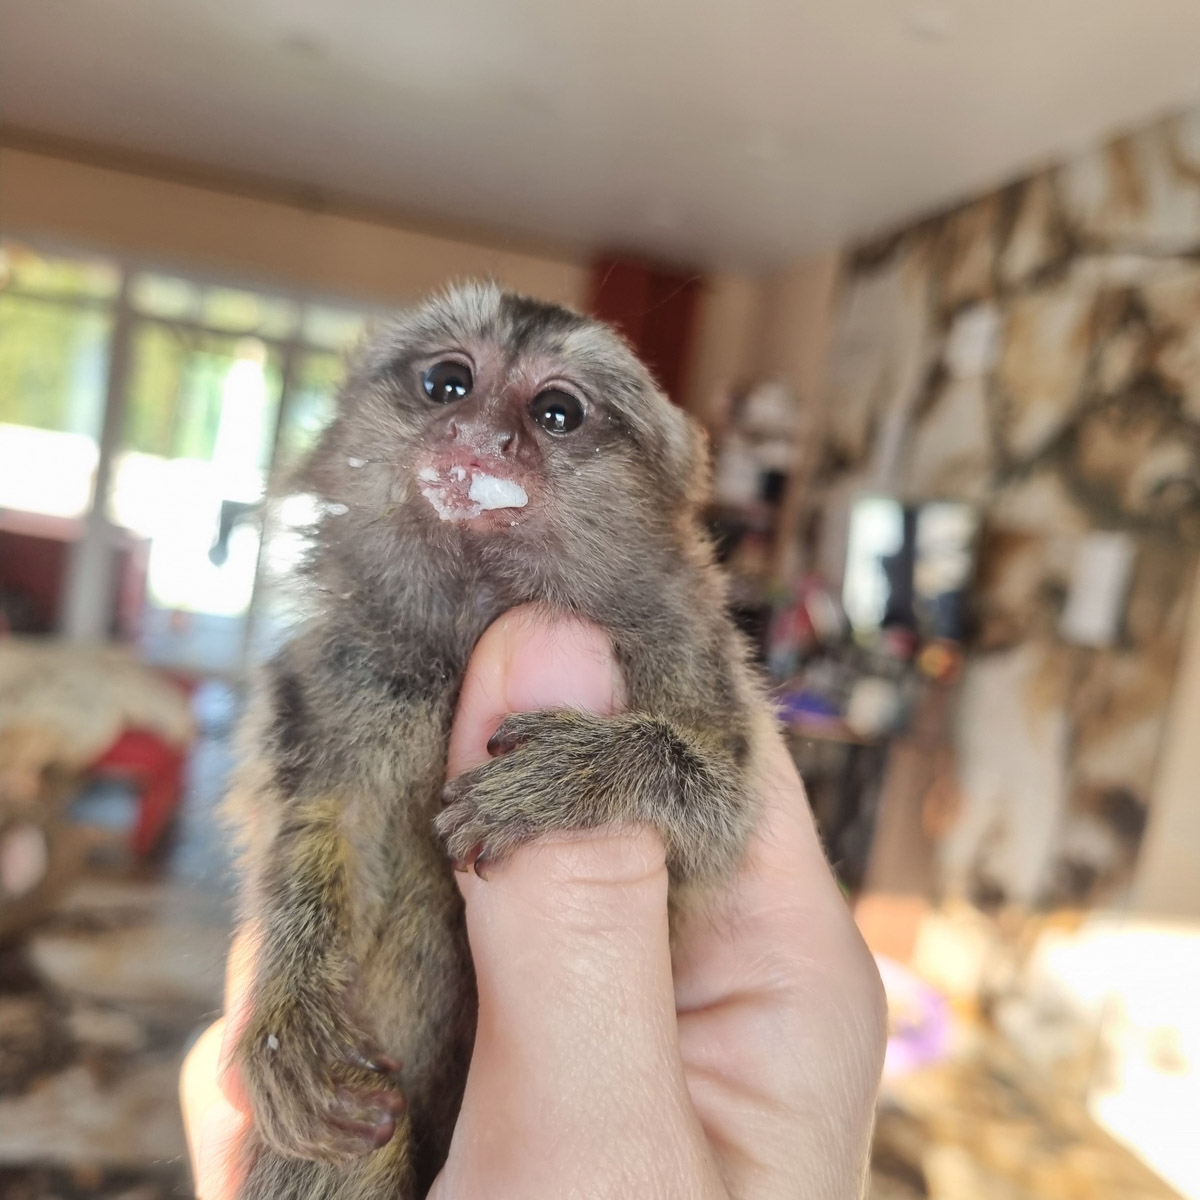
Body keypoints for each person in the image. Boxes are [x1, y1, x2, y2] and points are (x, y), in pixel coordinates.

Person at [181, 607, 887, 1199]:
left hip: (616, 1098)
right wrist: (292, 992)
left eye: (557, 427)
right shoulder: (340, 641)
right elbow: (302, 820)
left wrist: (633, 764)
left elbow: (724, 819)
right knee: (306, 1129)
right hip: (373, 1088)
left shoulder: (675, 633)